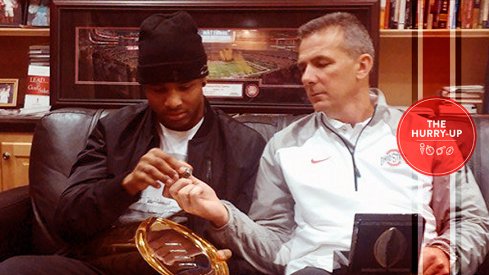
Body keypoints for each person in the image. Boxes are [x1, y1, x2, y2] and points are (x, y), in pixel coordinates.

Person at [164, 12, 489, 275]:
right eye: (303, 66)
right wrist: (221, 213)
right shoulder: (283, 146)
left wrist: (446, 253)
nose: (306, 77)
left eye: (321, 63)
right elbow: (275, 246)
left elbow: (472, 220)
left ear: (362, 65)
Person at [0, 11, 265, 275]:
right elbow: (69, 220)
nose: (173, 101)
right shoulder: (114, 129)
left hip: (185, 268)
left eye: (185, 87)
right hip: (104, 262)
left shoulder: (243, 145)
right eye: (159, 90)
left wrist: (223, 254)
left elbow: (255, 236)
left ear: (204, 80)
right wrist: (127, 184)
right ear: (143, 86)